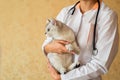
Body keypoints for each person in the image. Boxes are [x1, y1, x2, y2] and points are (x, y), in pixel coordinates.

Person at [42, 0, 119, 80]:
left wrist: (63, 77)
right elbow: (47, 43)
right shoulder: (66, 12)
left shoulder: (107, 16)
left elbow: (101, 64)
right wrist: (49, 48)